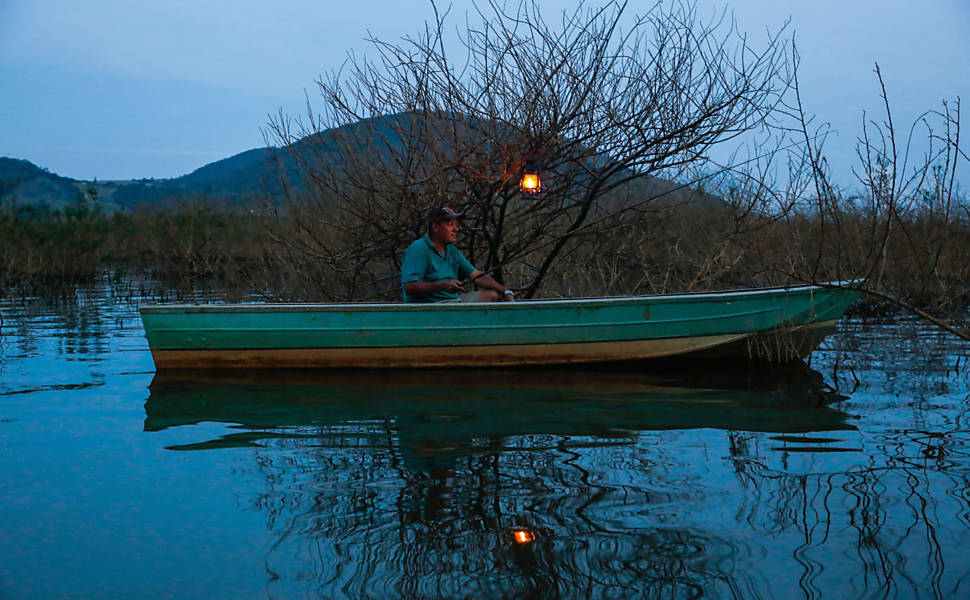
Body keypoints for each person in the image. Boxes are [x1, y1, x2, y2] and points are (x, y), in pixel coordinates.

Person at [401, 206, 515, 303]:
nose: (456, 229)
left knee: (492, 295)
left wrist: (505, 291)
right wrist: (442, 285)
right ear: (435, 227)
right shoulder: (418, 249)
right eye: (450, 224)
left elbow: (476, 275)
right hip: (431, 308)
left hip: (454, 303)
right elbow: (410, 286)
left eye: (456, 225)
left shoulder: (451, 250)